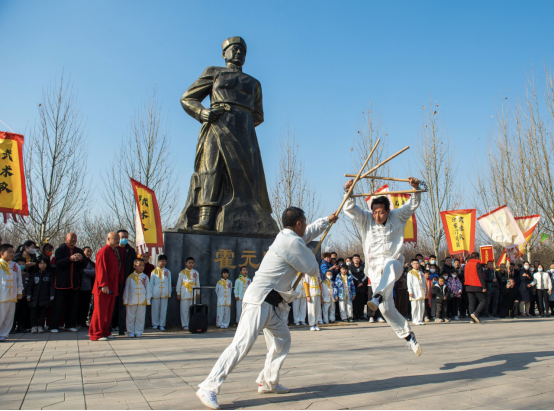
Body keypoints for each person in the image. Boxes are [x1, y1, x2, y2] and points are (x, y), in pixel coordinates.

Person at [195, 207, 335, 410]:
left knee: (282, 340)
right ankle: (208, 387)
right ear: (298, 224)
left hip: (274, 303)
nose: (306, 226)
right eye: (304, 222)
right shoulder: (292, 242)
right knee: (241, 344)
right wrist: (314, 257)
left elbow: (308, 233)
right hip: (259, 300)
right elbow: (312, 268)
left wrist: (326, 221)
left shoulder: (288, 237)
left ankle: (268, 381)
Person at [344, 177, 423, 356]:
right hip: (374, 269)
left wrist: (416, 188)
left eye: (381, 212)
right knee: (385, 309)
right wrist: (349, 190)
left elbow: (413, 203)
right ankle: (408, 335)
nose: (377, 216)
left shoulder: (398, 216)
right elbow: (350, 208)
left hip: (394, 263)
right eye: (375, 212)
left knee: (390, 266)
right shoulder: (366, 219)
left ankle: (378, 295)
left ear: (388, 211)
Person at [50, 233, 86, 333]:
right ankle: (54, 326)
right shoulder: (60, 250)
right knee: (59, 305)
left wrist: (81, 259)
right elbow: (57, 263)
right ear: (66, 238)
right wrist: (70, 259)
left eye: (75, 237)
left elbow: (85, 264)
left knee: (73, 305)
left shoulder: (79, 251)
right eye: (72, 237)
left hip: (74, 282)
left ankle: (70, 325)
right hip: (62, 282)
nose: (74, 239)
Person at [89, 233, 120, 341]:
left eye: (118, 239)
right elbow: (101, 269)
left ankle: (105, 331)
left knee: (108, 311)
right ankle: (96, 333)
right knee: (100, 311)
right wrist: (103, 284)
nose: (118, 241)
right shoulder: (103, 251)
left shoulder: (113, 251)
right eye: (115, 239)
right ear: (108, 239)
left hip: (112, 287)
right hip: (103, 287)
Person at [112, 230, 138, 335]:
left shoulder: (131, 250)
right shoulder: (112, 249)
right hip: (113, 282)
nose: (124, 238)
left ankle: (121, 328)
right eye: (122, 236)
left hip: (125, 282)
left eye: (126, 237)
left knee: (123, 306)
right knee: (112, 306)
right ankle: (111, 326)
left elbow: (134, 266)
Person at [122, 258, 151, 338]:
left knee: (140, 317)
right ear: (134, 266)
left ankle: (138, 331)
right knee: (130, 317)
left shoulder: (145, 277)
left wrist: (148, 300)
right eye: (139, 265)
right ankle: (130, 331)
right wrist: (125, 299)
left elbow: (148, 289)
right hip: (131, 300)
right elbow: (127, 289)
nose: (141, 267)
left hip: (142, 300)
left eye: (143, 265)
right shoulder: (130, 277)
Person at [26, 257, 55, 333]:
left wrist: (52, 295)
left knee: (42, 313)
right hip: (34, 297)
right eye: (41, 263)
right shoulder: (34, 274)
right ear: (38, 264)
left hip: (45, 297)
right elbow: (30, 286)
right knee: (33, 313)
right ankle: (33, 326)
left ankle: (41, 326)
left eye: (44, 263)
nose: (42, 265)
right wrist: (28, 295)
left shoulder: (49, 274)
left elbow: (52, 285)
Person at [0, 244, 23, 342]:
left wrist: (19, 292)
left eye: (13, 252)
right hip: (2, 295)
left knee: (9, 317)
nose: (12, 254)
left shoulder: (15, 265)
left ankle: (4, 334)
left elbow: (19, 280)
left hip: (12, 295)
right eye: (9, 252)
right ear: (1, 253)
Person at [176, 257, 200, 331]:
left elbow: (197, 283)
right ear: (186, 263)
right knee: (184, 310)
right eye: (189, 263)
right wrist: (178, 293)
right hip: (184, 292)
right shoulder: (182, 273)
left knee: (192, 309)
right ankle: (185, 324)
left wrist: (198, 292)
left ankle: (191, 323)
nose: (191, 264)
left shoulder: (196, 273)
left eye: (192, 263)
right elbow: (179, 284)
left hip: (193, 292)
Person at [464, 252, 487, 324]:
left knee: (471, 303)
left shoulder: (467, 264)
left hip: (468, 285)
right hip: (476, 284)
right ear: (477, 257)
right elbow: (481, 276)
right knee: (483, 301)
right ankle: (476, 314)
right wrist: (484, 286)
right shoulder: (477, 264)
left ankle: (472, 319)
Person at [150, 255, 171, 331]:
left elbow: (169, 283)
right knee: (155, 309)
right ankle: (155, 324)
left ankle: (162, 324)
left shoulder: (167, 272)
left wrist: (169, 292)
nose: (163, 262)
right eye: (161, 261)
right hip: (156, 292)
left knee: (163, 309)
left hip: (165, 293)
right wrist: (151, 293)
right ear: (158, 261)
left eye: (164, 261)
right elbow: (151, 284)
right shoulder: (154, 272)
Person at [11, 256, 30, 333]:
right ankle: (12, 327)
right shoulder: (13, 274)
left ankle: (21, 326)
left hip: (24, 296)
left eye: (23, 264)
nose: (21, 265)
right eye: (19, 264)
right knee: (14, 312)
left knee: (23, 312)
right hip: (15, 296)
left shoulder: (27, 274)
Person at [77, 246, 96, 329]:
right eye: (87, 251)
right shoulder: (80, 262)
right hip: (79, 287)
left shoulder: (91, 263)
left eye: (90, 251)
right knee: (78, 305)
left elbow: (94, 272)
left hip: (88, 287)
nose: (89, 253)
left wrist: (85, 271)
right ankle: (77, 322)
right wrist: (88, 271)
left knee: (86, 305)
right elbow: (79, 271)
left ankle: (83, 322)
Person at [407, 259, 426, 326]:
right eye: (414, 263)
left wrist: (425, 291)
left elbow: (424, 283)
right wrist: (410, 291)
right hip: (415, 291)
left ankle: (420, 319)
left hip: (421, 291)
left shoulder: (421, 272)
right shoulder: (410, 273)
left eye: (417, 263)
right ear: (412, 265)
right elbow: (409, 283)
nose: (416, 265)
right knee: (415, 306)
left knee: (421, 306)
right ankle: (415, 319)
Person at [350, 254, 367, 321]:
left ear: (360, 259)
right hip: (354, 287)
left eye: (357, 258)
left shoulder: (363, 267)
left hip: (362, 287)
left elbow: (366, 275)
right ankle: (355, 315)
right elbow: (351, 275)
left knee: (361, 302)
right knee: (355, 302)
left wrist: (362, 283)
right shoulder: (350, 267)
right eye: (355, 258)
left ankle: (361, 315)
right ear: (353, 260)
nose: (356, 259)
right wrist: (358, 282)